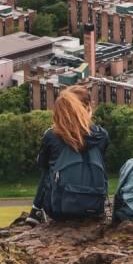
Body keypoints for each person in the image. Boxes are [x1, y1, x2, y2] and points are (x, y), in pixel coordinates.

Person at [29, 86, 109, 223]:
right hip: (94, 206)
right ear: (88, 107)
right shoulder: (102, 135)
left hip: (60, 210)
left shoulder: (52, 136)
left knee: (48, 170)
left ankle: (36, 210)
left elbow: (42, 164)